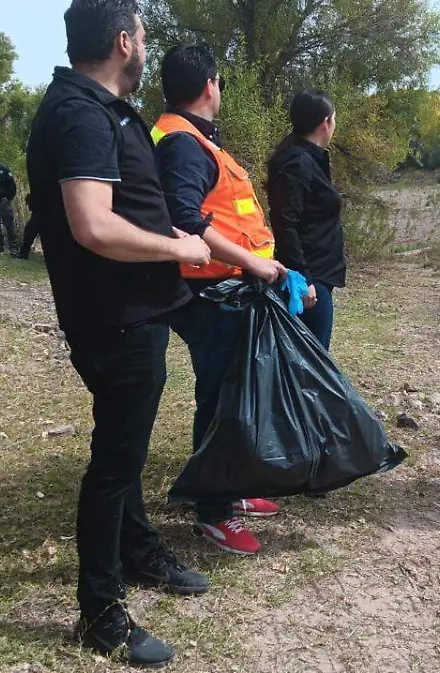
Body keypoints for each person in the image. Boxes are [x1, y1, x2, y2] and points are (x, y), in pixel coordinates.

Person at [24, 0, 214, 667]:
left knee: (125, 453)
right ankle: (100, 611)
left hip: (133, 312)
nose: (145, 46)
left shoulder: (99, 109)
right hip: (116, 318)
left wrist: (174, 239)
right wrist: (179, 248)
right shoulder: (79, 113)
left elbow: (120, 209)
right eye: (142, 34)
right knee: (114, 465)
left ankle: (138, 551)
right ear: (123, 42)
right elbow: (92, 224)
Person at [152, 43, 289, 556]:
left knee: (235, 396)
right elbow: (184, 218)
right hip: (209, 292)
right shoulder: (183, 143)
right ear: (211, 85)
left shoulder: (194, 139)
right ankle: (213, 512)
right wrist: (253, 261)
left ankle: (228, 488)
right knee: (222, 400)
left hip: (224, 288)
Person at [267, 88, 343, 349]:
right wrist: (304, 278)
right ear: (325, 123)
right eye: (334, 119)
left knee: (311, 358)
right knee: (311, 361)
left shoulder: (309, 158)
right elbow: (285, 223)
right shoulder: (297, 163)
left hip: (318, 275)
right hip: (309, 280)